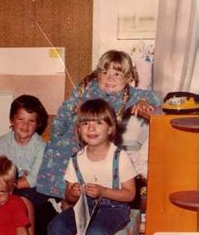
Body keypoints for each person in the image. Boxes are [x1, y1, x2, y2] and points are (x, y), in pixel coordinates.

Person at [34, 99, 137, 235]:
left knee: (96, 233)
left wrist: (103, 191)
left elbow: (130, 194)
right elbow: (69, 198)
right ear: (79, 130)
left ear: (110, 129)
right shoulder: (76, 159)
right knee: (56, 225)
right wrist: (72, 193)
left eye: (98, 122)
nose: (91, 127)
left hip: (114, 207)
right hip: (84, 206)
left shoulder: (119, 157)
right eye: (85, 123)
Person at [35, 50, 161, 203]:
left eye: (117, 74)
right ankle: (63, 199)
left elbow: (154, 98)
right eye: (105, 72)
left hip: (94, 144)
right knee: (58, 155)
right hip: (70, 138)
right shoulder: (86, 89)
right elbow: (64, 110)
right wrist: (58, 132)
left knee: (81, 166)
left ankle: (70, 202)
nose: (110, 78)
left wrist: (143, 102)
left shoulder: (129, 95)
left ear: (128, 78)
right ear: (97, 74)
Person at [0, 94, 48, 235]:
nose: (25, 125)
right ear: (12, 120)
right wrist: (1, 186)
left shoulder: (41, 146)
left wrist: (9, 186)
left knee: (23, 199)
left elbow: (33, 179)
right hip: (9, 184)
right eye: (20, 119)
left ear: (38, 124)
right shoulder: (4, 141)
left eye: (31, 121)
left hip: (34, 188)